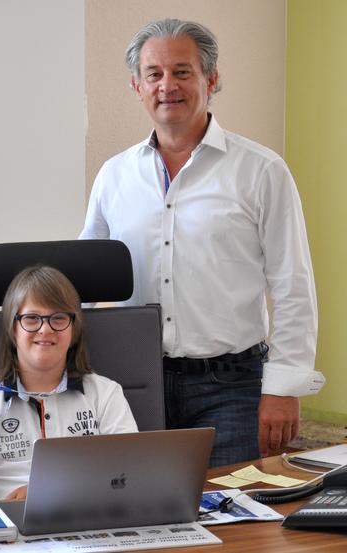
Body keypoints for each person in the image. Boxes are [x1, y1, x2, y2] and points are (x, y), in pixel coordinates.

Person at [80, 19, 324, 467]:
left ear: (211, 80)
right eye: (154, 74)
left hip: (232, 389)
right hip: (134, 384)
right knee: (145, 519)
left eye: (182, 71)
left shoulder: (262, 171)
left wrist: (284, 388)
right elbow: (84, 284)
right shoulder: (114, 176)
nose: (167, 85)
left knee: (238, 522)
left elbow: (293, 284)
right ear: (137, 85)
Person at [0, 265, 137, 500]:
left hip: (87, 525)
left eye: (58, 318)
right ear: (13, 328)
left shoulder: (105, 394)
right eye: (32, 319)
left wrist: (47, 492)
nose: (45, 329)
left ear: (74, 329)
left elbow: (129, 476)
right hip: (12, 531)